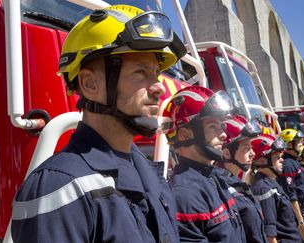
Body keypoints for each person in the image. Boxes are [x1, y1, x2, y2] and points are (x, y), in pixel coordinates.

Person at [11, 5, 187, 242]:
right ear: (90, 84)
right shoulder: (59, 187)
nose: (159, 87)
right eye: (140, 72)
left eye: (156, 73)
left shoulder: (149, 174)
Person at [164, 86, 247, 242]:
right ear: (185, 135)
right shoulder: (184, 194)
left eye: (222, 126)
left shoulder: (214, 177)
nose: (224, 135)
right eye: (213, 126)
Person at [214, 115, 268, 243]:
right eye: (246, 148)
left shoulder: (236, 184)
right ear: (226, 153)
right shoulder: (220, 188)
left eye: (251, 148)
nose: (253, 154)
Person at [248, 134, 301, 242]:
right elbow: (269, 235)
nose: (282, 160)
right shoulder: (263, 188)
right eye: (277, 158)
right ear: (262, 161)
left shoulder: (270, 181)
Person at [278, 129, 304, 242]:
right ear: (289, 144)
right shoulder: (287, 164)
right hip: (298, 216)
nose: (301, 145)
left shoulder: (294, 161)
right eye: (299, 143)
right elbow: (291, 195)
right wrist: (301, 222)